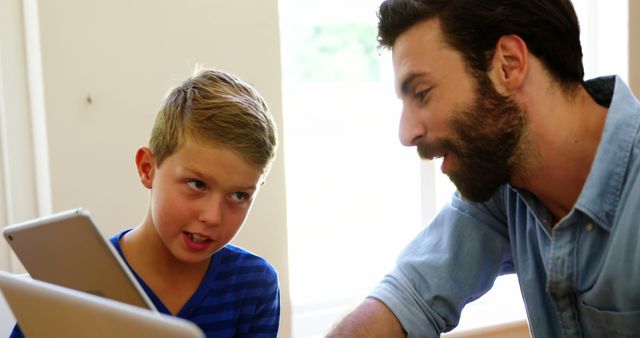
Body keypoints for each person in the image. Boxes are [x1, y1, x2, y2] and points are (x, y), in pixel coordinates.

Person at [327, 0, 640, 337]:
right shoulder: (504, 180)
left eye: (422, 93)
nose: (407, 134)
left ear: (508, 65)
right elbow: (408, 298)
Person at [9, 68, 281, 338]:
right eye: (197, 185)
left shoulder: (254, 285)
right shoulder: (73, 283)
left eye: (239, 196)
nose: (212, 217)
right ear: (147, 168)